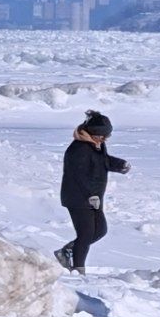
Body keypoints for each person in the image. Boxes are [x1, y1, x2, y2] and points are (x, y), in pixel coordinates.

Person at [55, 110, 129, 273]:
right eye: (103, 135)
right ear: (93, 133)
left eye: (107, 136)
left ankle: (66, 251)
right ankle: (78, 269)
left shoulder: (96, 145)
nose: (105, 139)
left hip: (93, 198)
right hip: (78, 198)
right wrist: (91, 196)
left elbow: (102, 161)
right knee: (86, 234)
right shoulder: (79, 149)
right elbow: (80, 178)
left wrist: (120, 165)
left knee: (100, 231)